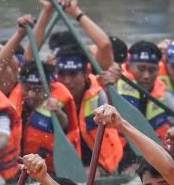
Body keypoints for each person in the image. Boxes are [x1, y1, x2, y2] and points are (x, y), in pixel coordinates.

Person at [53, 45, 124, 174]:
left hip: (99, 164)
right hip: (65, 163)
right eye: (62, 75)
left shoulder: (100, 93)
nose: (67, 81)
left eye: (73, 74)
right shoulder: (49, 94)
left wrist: (110, 90)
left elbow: (117, 119)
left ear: (86, 73)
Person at [104, 40, 174, 142]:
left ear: (158, 70)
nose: (146, 76)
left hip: (153, 151)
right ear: (128, 66)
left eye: (152, 70)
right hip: (118, 151)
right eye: (141, 69)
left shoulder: (164, 95)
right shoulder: (113, 85)